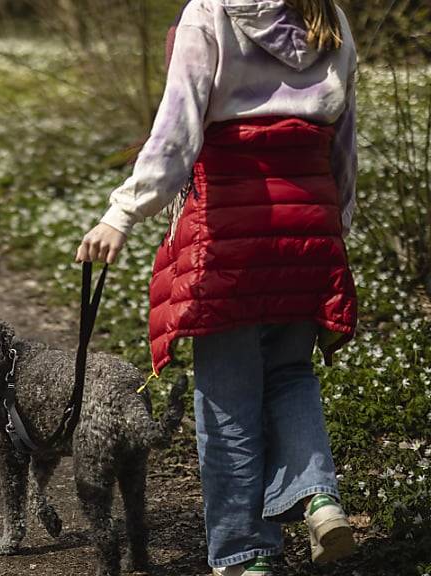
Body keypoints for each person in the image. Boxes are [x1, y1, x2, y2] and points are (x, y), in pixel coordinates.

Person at [74, 1, 359, 575]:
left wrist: (121, 214)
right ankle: (321, 499)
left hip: (229, 230)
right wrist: (337, 224)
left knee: (226, 402)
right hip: (310, 229)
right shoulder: (327, 13)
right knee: (290, 375)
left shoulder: (209, 12)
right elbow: (343, 137)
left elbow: (176, 132)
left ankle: (244, 555)